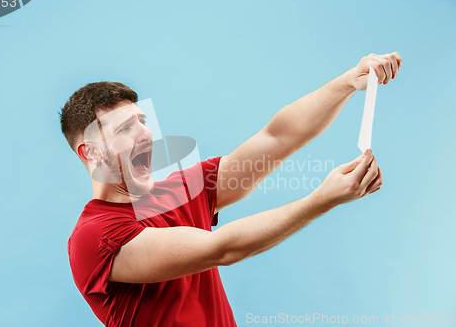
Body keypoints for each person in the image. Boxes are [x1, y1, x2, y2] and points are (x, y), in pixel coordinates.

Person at [60, 52, 402, 327]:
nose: (145, 135)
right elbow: (222, 249)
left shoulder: (180, 189)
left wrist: (346, 82)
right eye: (125, 129)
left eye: (143, 122)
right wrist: (321, 200)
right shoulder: (94, 237)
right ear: (90, 153)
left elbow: (277, 139)